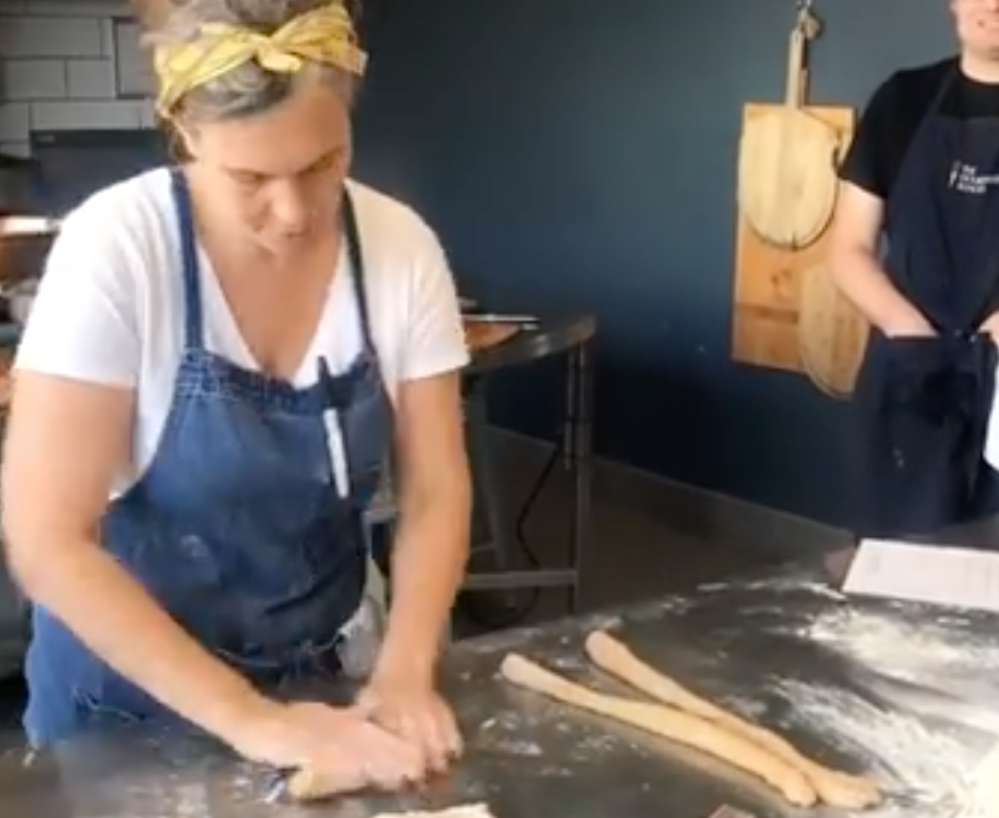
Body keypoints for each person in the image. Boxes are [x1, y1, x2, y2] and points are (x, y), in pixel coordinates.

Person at [0, 0, 472, 795]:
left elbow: (435, 486)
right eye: (250, 178)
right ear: (185, 131)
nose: (292, 215)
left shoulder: (398, 248)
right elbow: (48, 540)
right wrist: (255, 723)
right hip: (124, 710)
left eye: (323, 165)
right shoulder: (116, 248)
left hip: (321, 685)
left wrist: (402, 670)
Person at [831, 0, 999, 539]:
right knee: (897, 576)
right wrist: (913, 336)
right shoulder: (902, 100)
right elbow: (848, 248)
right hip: (910, 376)